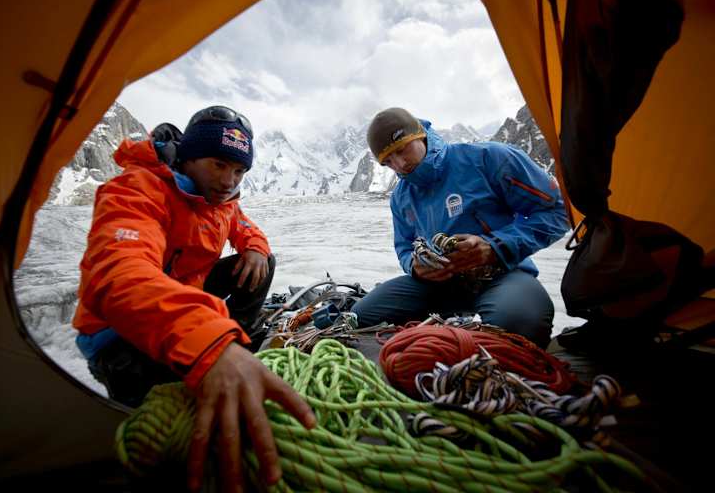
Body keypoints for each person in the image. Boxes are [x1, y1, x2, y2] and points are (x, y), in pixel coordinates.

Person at [71, 106, 315, 492]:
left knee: (263, 262)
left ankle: (239, 339)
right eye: (218, 165)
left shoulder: (221, 199)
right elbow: (117, 275)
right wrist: (210, 344)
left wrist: (253, 247)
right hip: (118, 337)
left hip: (182, 306)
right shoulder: (138, 188)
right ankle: (208, 354)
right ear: (189, 156)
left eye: (239, 171)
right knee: (180, 436)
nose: (228, 181)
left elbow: (243, 224)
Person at [351, 107, 570, 348]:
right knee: (360, 317)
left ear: (419, 135)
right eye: (388, 162)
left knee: (519, 323)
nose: (400, 164)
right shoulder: (401, 197)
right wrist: (415, 267)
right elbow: (404, 246)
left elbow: (557, 211)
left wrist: (494, 246)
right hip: (437, 285)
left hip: (502, 274)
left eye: (402, 149)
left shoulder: (487, 158)